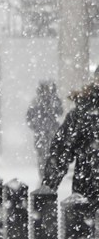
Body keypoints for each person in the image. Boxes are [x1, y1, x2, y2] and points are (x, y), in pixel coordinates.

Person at [41, 72, 99, 201]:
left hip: (86, 190)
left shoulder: (83, 114)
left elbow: (61, 152)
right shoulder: (82, 114)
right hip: (87, 193)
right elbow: (61, 151)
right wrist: (47, 189)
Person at [28, 81, 63, 176]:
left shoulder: (47, 101)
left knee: (47, 155)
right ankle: (46, 174)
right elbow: (29, 118)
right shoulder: (40, 101)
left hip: (46, 132)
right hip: (44, 133)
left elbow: (60, 111)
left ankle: (47, 174)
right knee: (45, 155)